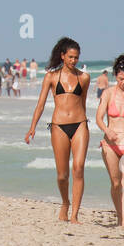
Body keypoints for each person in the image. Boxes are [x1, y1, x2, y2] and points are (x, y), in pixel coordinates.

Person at [25, 37, 91, 224]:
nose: (73, 61)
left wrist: (85, 124)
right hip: (58, 126)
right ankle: (65, 202)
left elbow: (83, 103)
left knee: (78, 168)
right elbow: (40, 104)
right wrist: (32, 127)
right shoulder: (52, 77)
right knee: (62, 175)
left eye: (76, 57)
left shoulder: (84, 78)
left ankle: (75, 215)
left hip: (80, 125)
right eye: (70, 57)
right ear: (62, 56)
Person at [94, 55, 124, 228]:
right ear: (116, 76)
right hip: (110, 144)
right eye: (121, 79)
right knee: (116, 183)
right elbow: (98, 118)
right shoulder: (107, 94)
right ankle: (120, 215)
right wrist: (107, 130)